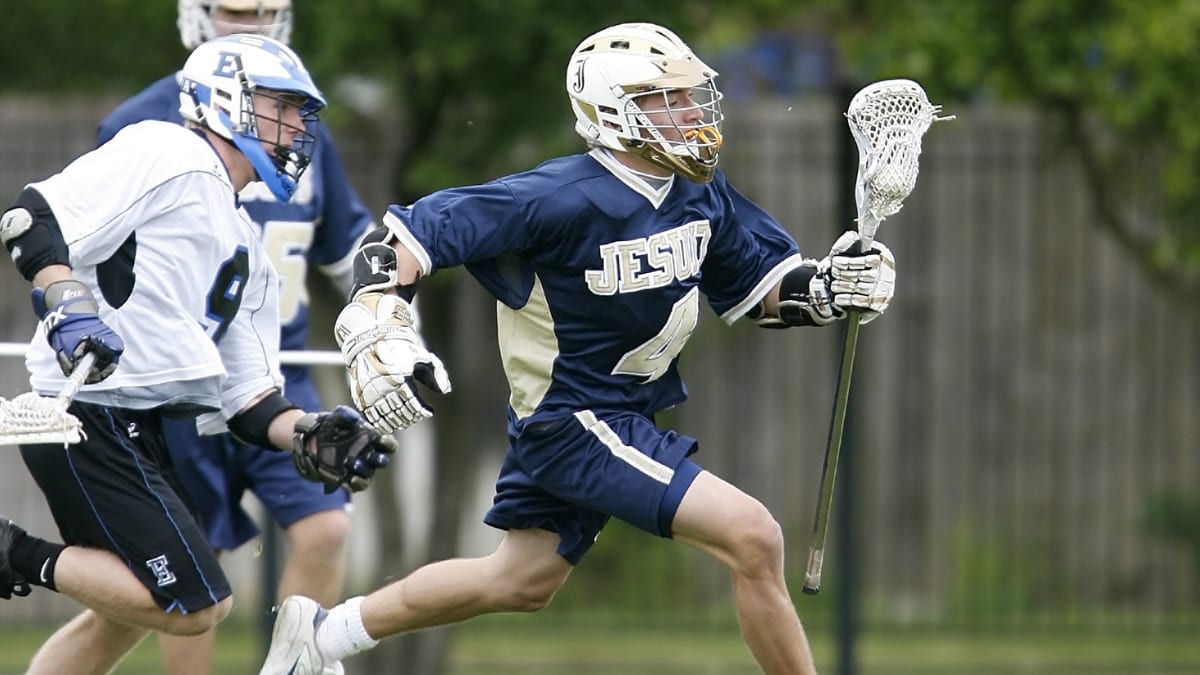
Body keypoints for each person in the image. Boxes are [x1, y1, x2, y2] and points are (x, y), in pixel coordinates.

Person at [260, 21, 897, 675]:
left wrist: (828, 285)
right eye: (665, 100)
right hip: (575, 420)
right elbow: (413, 236)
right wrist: (378, 315)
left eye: (690, 97)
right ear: (613, 113)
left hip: (612, 415)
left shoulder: (699, 194)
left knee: (517, 580)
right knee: (754, 535)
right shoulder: (556, 198)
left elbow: (762, 289)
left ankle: (323, 635)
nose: (689, 114)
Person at [0, 34, 396, 675]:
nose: (297, 127)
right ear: (226, 100)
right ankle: (12, 553)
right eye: (282, 107)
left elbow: (247, 401)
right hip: (86, 415)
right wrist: (69, 302)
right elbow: (33, 218)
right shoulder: (167, 150)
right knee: (194, 606)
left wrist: (310, 432)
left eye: (303, 113)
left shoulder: (245, 242)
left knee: (122, 613)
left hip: (144, 427)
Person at [94, 3, 377, 673]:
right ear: (197, 14)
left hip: (275, 370)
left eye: (263, 12)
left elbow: (349, 248)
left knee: (326, 524)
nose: (249, 25)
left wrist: (391, 325)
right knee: (189, 566)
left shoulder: (302, 123)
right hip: (177, 376)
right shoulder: (143, 122)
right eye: (233, 11)